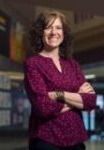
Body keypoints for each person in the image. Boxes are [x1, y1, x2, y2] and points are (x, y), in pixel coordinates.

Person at [24, 10, 97, 150]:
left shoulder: (73, 64)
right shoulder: (32, 64)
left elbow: (91, 101)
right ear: (41, 32)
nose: (53, 32)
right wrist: (77, 99)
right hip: (47, 139)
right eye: (48, 27)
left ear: (64, 33)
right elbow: (43, 107)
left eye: (58, 28)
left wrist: (59, 95)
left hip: (76, 138)